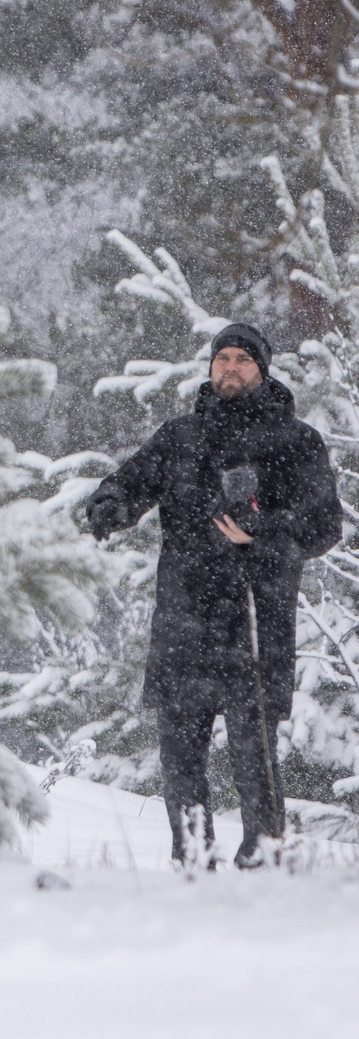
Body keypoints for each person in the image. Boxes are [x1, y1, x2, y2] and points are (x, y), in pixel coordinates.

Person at [82, 323, 342, 867]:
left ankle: (264, 856)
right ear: (209, 367)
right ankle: (192, 857)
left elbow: (325, 527)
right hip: (185, 618)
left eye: (242, 359)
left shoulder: (297, 441)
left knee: (256, 756)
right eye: (221, 358)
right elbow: (130, 482)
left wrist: (264, 531)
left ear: (262, 370)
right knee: (180, 755)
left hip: (255, 617)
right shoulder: (180, 437)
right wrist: (110, 503)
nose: (230, 367)